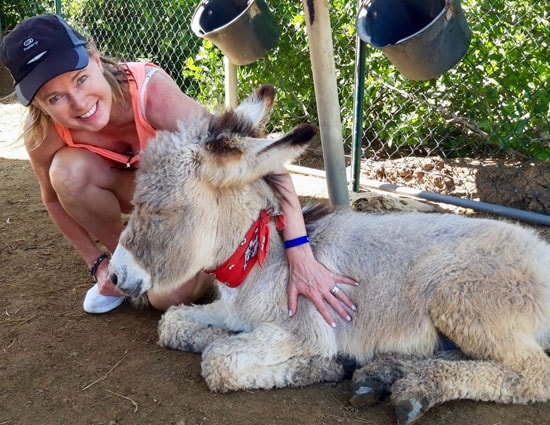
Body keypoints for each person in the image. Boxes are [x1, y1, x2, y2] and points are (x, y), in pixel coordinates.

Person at [0, 14, 358, 326]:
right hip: (140, 207)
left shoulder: (151, 95)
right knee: (66, 173)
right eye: (55, 97)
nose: (79, 104)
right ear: (39, 105)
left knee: (166, 298)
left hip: (187, 211)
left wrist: (300, 253)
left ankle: (195, 262)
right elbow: (52, 201)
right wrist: (97, 263)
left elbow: (262, 161)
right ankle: (124, 265)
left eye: (80, 79)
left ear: (94, 59)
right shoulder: (44, 134)